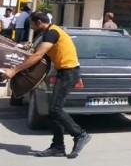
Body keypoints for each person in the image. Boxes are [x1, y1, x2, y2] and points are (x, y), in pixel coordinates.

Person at [2, 11, 92, 158]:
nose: (31, 27)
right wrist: (27, 48)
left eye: (32, 24)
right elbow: (38, 51)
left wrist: (14, 70)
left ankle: (80, 134)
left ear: (38, 22)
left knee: (55, 110)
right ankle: (57, 147)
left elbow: (37, 56)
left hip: (69, 73)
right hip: (63, 73)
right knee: (53, 111)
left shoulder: (51, 33)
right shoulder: (49, 32)